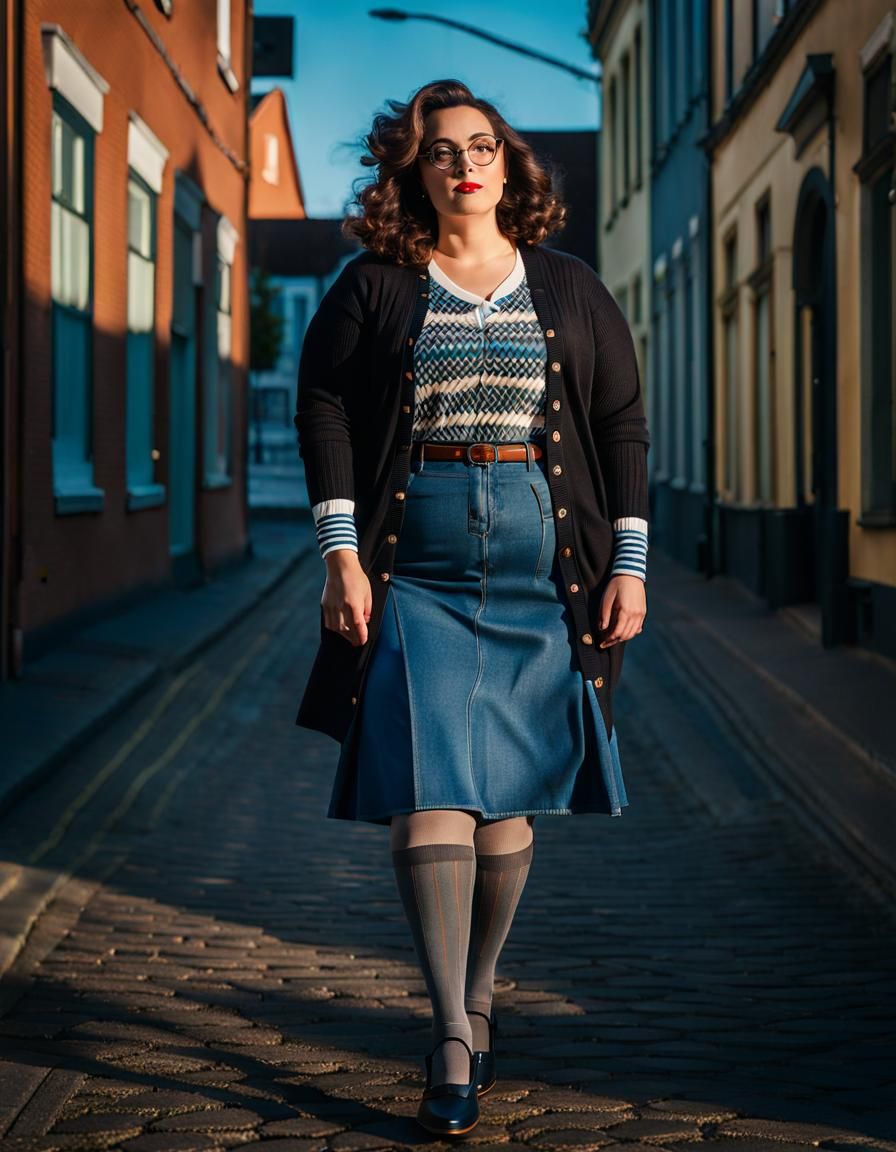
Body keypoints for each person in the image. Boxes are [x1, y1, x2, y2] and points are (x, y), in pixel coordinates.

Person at [294, 79, 650, 1139]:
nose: (464, 164)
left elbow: (620, 424)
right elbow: (321, 404)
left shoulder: (568, 285)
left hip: (546, 570)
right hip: (420, 569)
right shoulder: (375, 284)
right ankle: (451, 1029)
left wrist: (626, 561)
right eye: (441, 151)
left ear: (506, 163)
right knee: (428, 785)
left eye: (480, 146)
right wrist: (341, 554)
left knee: (508, 801)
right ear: (414, 171)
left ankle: (480, 986)